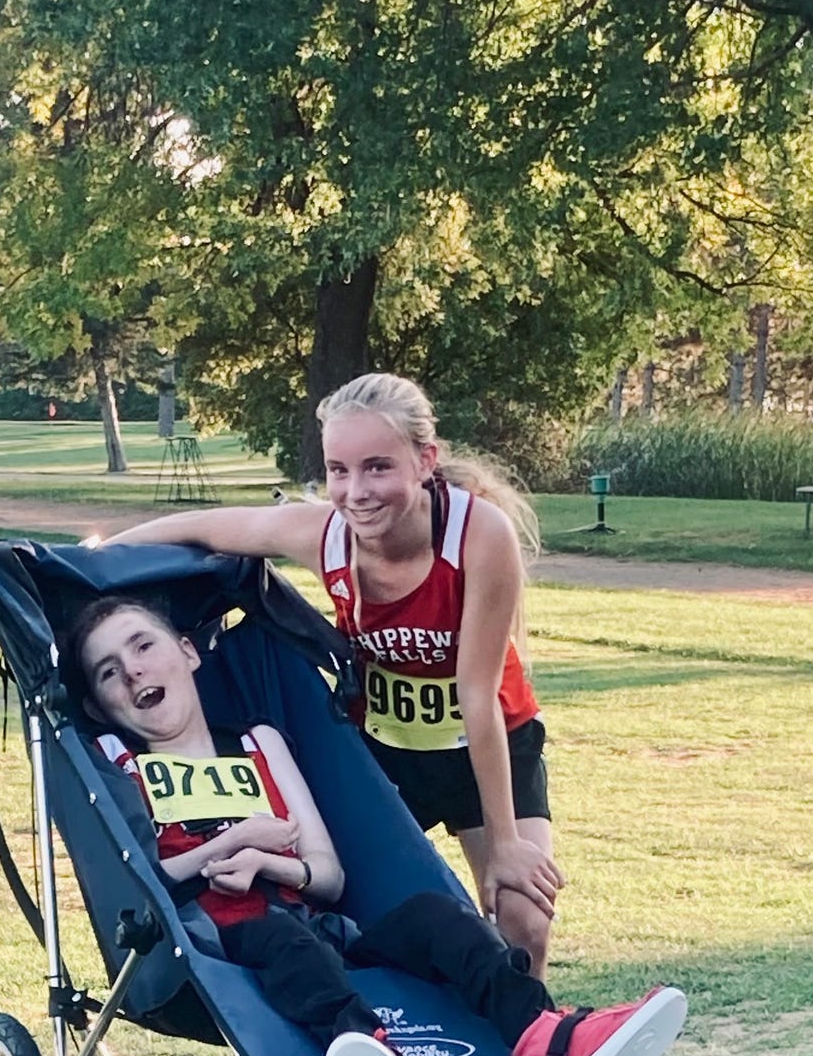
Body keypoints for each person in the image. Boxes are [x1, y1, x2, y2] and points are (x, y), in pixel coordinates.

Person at [71, 595, 686, 1056]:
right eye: (107, 670)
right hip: (219, 951)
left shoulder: (259, 744)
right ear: (102, 706)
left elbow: (329, 875)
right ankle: (370, 1053)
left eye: (143, 646)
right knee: (280, 941)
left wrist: (268, 862)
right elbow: (146, 876)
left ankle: (542, 1036)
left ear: (187, 650)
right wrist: (238, 839)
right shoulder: (124, 766)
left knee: (435, 917)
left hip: (317, 926)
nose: (131, 671)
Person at [100, 373, 561, 977]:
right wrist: (93, 560)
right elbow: (203, 527)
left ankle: (525, 1050)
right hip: (386, 748)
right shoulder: (326, 534)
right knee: (367, 909)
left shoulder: (477, 534)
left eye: (377, 467)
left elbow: (477, 696)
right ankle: (388, 1051)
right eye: (338, 470)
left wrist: (504, 844)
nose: (356, 491)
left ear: (426, 461)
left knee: (523, 918)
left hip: (488, 744)